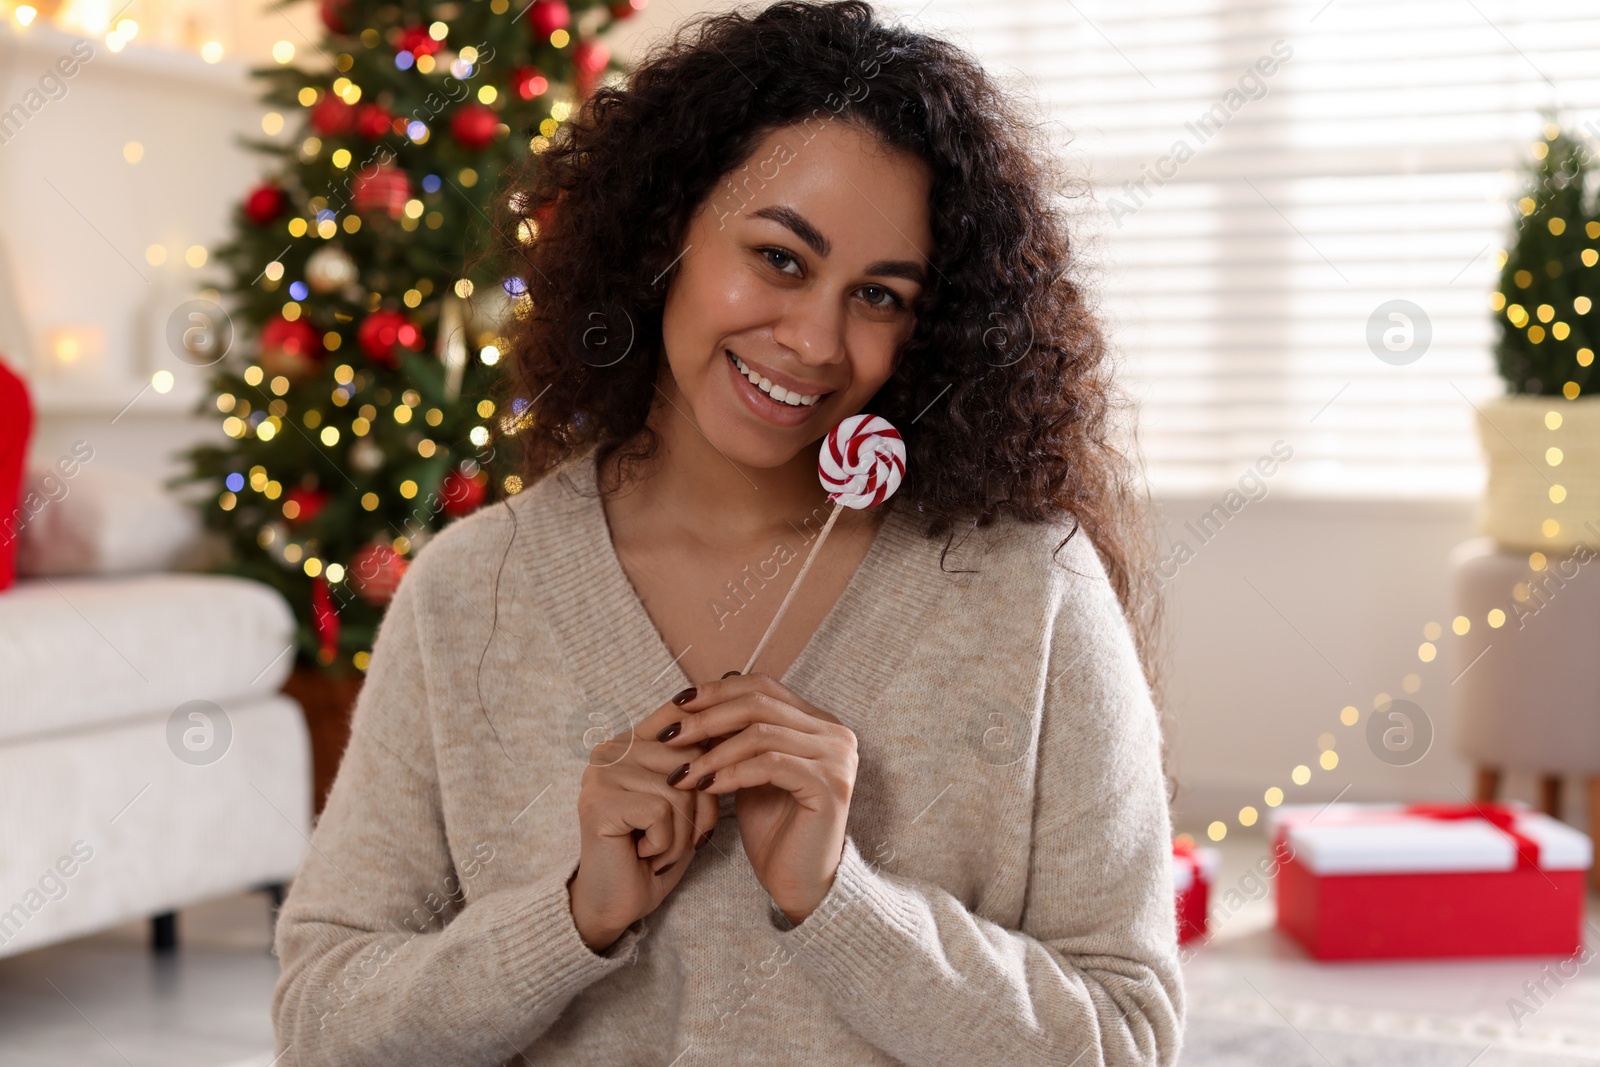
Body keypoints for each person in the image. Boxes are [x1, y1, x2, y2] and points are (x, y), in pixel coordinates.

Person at [271, 1, 1183, 1063]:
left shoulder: (1031, 592)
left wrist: (842, 901)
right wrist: (570, 918)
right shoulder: (472, 587)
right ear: (665, 233)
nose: (813, 340)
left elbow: (1125, 1039)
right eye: (779, 258)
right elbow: (324, 1023)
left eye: (879, 296)